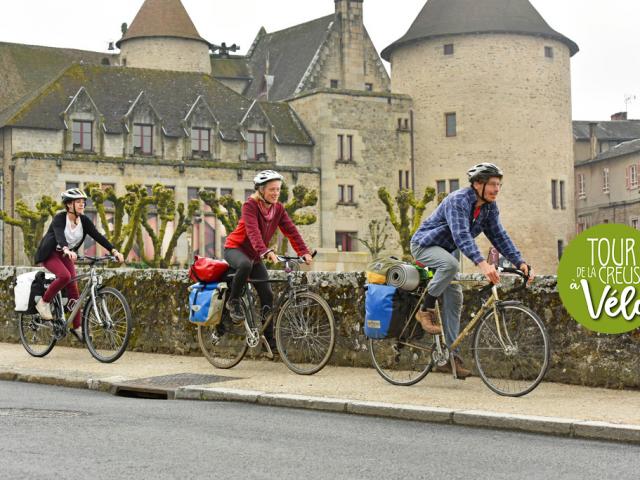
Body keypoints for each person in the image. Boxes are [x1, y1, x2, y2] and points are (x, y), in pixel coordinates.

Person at [410, 163, 534, 378]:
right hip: (425, 246)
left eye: (499, 185)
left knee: (455, 298)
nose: (497, 189)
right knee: (450, 265)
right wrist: (482, 263)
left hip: (447, 251)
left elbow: (499, 236)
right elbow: (461, 236)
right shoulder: (459, 200)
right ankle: (425, 309)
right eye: (492, 184)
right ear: (478, 184)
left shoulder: (488, 208)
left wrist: (520, 262)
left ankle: (450, 357)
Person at [223, 170, 313, 351]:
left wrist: (303, 252)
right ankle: (232, 302)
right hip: (235, 249)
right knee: (245, 264)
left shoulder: (278, 209)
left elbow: (291, 230)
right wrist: (264, 251)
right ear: (261, 190)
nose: (275, 193)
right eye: (272, 189)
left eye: (278, 189)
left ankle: (269, 341)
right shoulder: (250, 206)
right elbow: (252, 231)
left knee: (268, 295)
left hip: (256, 255)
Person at [34, 188, 125, 342]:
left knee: (74, 288)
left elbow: (98, 236)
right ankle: (43, 303)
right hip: (51, 254)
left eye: (83, 202)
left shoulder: (84, 221)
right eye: (78, 202)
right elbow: (59, 235)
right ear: (69, 205)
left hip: (66, 255)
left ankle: (77, 327)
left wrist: (114, 251)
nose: (82, 204)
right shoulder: (60, 219)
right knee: (65, 276)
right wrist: (65, 249)